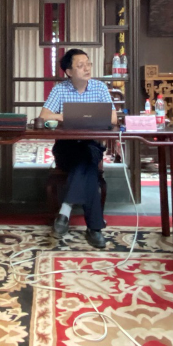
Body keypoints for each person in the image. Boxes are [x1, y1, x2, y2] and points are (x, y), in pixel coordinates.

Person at [39, 48, 117, 249]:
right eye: (80, 65)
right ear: (69, 72)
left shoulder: (99, 88)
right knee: (87, 164)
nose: (86, 68)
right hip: (66, 148)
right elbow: (44, 116)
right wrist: (67, 116)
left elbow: (113, 118)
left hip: (92, 145)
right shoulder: (60, 90)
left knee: (86, 158)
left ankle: (65, 210)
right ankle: (95, 229)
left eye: (88, 64)